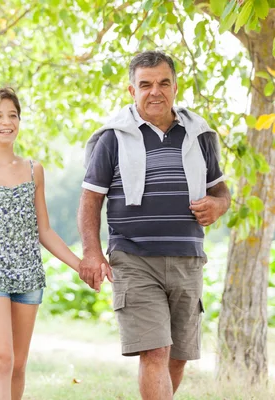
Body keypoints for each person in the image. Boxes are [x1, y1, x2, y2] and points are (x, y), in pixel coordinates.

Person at [78, 50, 230, 400]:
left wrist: (218, 205)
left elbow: (220, 189)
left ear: (175, 86)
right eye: (145, 85)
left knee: (178, 356)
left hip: (187, 259)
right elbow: (90, 200)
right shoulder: (112, 138)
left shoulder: (199, 134)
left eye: (163, 83)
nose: (155, 91)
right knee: (155, 352)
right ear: (132, 91)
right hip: (134, 258)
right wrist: (91, 251)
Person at [0, 87, 108, 400]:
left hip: (28, 275)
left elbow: (44, 231)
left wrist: (81, 265)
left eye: (13, 115)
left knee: (18, 364)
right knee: (1, 357)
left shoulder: (35, 171)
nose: (6, 122)